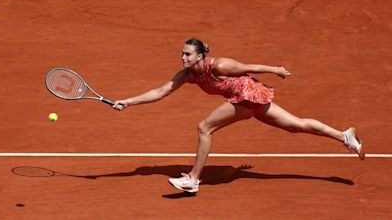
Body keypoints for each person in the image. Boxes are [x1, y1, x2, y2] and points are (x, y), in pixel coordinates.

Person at [113, 38, 364, 193]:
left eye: (188, 54)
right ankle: (344, 135)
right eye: (182, 53)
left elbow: (250, 67)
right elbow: (161, 91)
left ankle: (193, 179)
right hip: (250, 101)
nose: (183, 57)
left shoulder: (219, 65)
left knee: (204, 128)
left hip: (248, 95)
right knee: (295, 126)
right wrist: (128, 101)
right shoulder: (187, 75)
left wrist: (276, 70)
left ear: (201, 56)